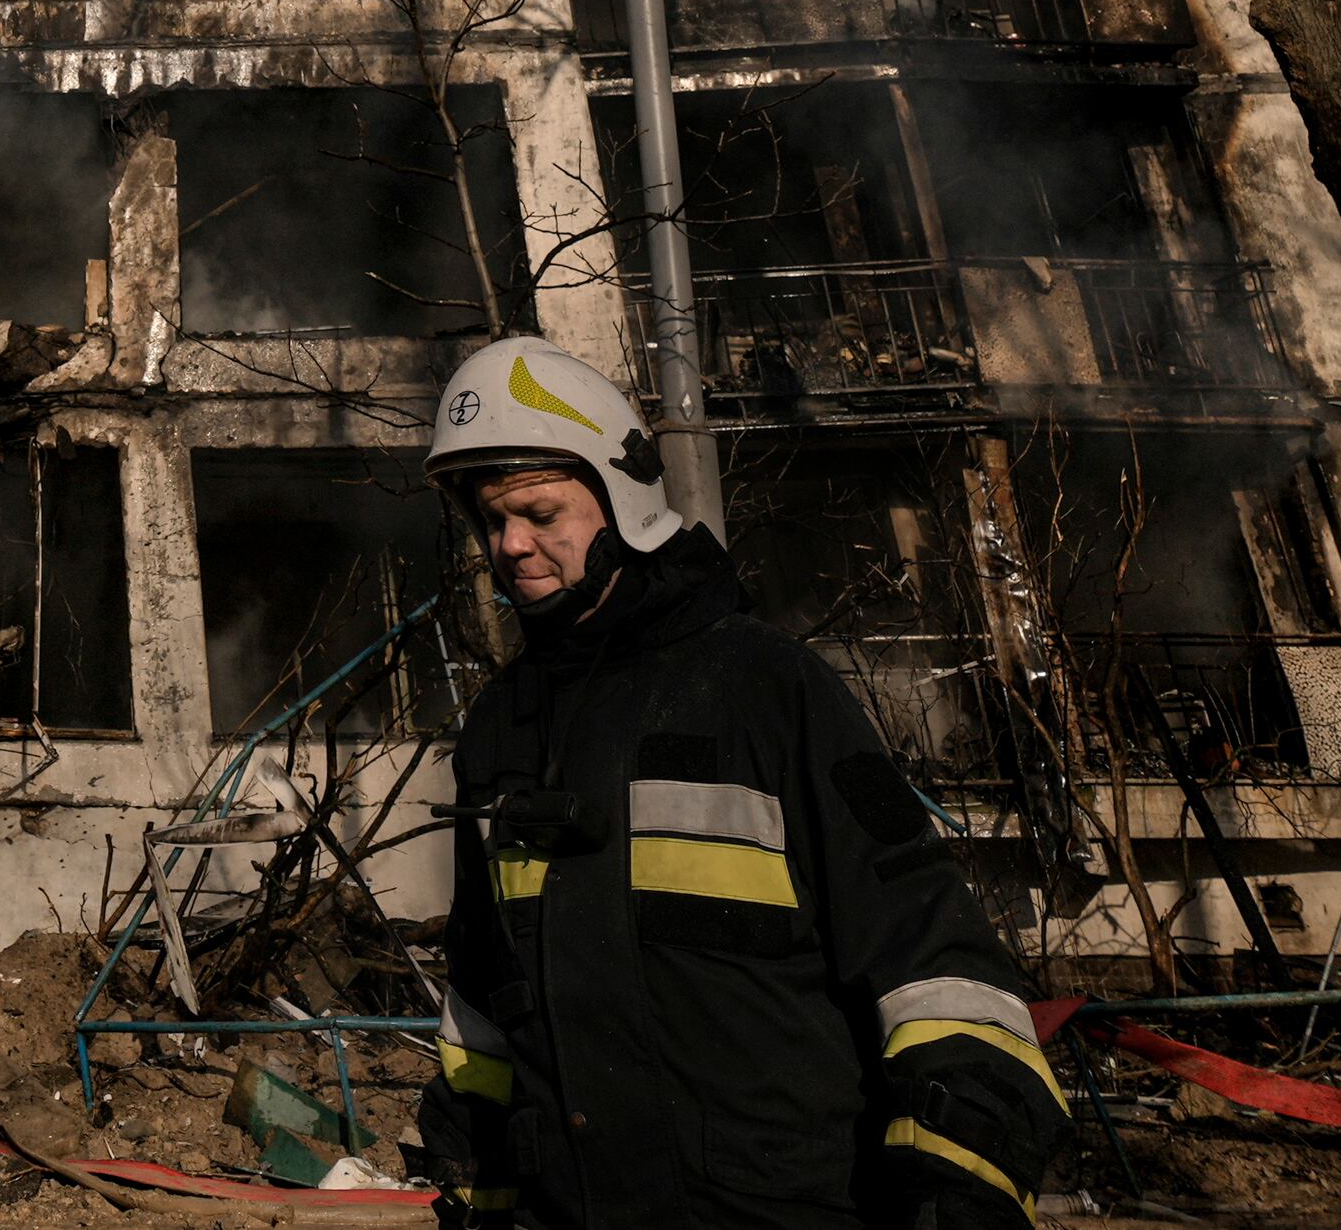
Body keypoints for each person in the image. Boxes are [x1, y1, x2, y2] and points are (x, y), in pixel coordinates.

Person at [417, 337, 1069, 1230]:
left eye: (539, 512)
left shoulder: (769, 693)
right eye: (491, 520)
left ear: (623, 500)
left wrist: (959, 1193)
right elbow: (484, 1003)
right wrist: (478, 1185)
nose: (510, 545)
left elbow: (934, 966)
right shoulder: (500, 732)